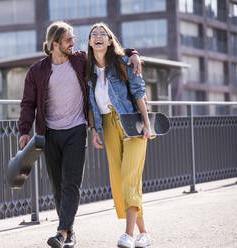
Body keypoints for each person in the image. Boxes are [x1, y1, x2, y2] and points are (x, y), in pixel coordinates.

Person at [18, 21, 142, 248]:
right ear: (55, 43)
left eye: (74, 38)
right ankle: (69, 231)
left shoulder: (79, 60)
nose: (73, 43)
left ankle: (62, 232)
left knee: (71, 184)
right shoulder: (37, 71)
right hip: (50, 132)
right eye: (68, 40)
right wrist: (24, 130)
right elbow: (27, 103)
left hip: (76, 130)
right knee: (57, 185)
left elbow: (106, 51)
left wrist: (132, 54)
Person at [86, 23, 152, 248]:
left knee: (129, 180)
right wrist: (94, 130)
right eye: (93, 34)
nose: (98, 37)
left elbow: (139, 92)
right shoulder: (89, 73)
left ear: (110, 41)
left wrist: (146, 123)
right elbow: (90, 104)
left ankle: (128, 235)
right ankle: (144, 233)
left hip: (130, 122)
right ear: (89, 42)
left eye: (102, 34)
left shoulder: (124, 63)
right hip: (107, 125)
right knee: (118, 182)